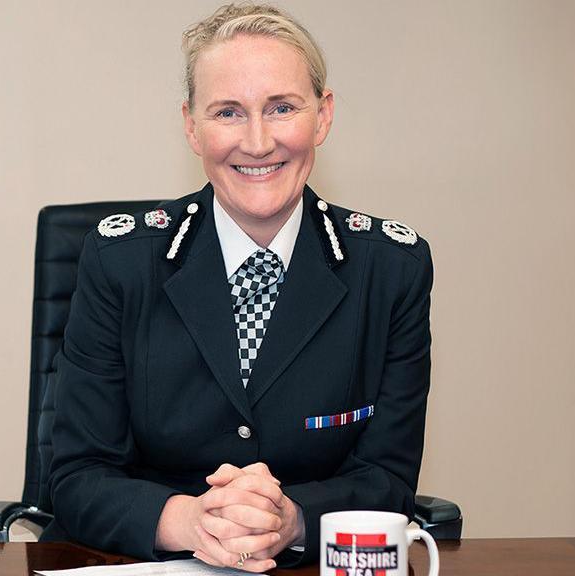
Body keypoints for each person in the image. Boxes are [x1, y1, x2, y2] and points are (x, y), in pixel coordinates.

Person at [42, 3, 433, 571]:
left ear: (322, 116)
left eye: (281, 108)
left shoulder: (391, 269)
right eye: (228, 111)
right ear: (190, 125)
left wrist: (290, 519)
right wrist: (189, 520)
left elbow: (388, 479)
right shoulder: (120, 261)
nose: (257, 142)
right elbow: (77, 476)